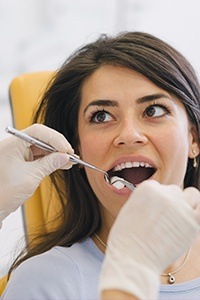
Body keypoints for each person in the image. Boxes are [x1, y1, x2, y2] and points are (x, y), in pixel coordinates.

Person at [1, 31, 200, 299]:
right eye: (102, 116)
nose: (129, 135)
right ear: (77, 148)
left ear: (194, 139)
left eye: (153, 110)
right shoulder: (44, 282)